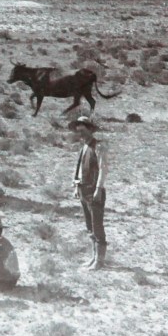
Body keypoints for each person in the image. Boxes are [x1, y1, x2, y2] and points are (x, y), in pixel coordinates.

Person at [70, 115, 109, 270]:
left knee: (97, 226)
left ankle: (99, 261)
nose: (80, 130)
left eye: (83, 127)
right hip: (83, 190)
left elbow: (103, 169)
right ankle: (94, 258)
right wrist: (75, 186)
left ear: (90, 129)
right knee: (89, 226)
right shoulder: (83, 147)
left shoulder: (99, 147)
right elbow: (78, 169)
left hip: (94, 191)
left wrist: (98, 189)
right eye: (78, 128)